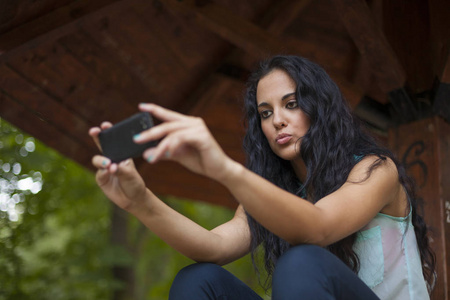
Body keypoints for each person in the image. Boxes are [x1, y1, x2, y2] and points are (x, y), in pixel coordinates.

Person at [89, 55, 435, 299]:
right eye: (265, 113)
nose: (277, 121)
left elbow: (318, 227)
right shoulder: (273, 195)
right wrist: (140, 200)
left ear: (321, 108)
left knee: (302, 260)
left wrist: (223, 168)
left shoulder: (375, 170)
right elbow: (213, 248)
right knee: (199, 280)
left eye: (291, 104)